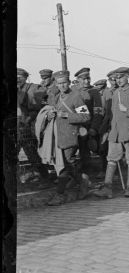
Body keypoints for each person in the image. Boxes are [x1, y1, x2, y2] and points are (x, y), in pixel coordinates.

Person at [94, 67, 129, 199]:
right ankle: (107, 188)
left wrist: (127, 110)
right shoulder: (115, 92)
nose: (118, 80)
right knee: (111, 159)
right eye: (116, 78)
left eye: (121, 77)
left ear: (127, 76)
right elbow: (111, 114)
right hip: (115, 132)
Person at [45, 70, 91, 205]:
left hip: (71, 135)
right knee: (68, 163)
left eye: (64, 83)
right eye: (59, 83)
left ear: (69, 82)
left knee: (64, 165)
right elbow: (52, 112)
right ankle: (83, 181)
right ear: (56, 84)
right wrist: (50, 115)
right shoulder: (57, 97)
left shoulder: (76, 97)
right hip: (58, 136)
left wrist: (66, 115)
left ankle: (60, 194)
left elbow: (86, 116)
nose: (62, 86)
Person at [72, 67, 104, 182]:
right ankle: (75, 175)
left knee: (93, 150)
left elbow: (98, 111)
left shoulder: (94, 92)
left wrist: (94, 128)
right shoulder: (73, 90)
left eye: (88, 78)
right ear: (78, 79)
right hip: (75, 127)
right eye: (84, 79)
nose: (87, 81)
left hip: (89, 127)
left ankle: (90, 174)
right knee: (73, 152)